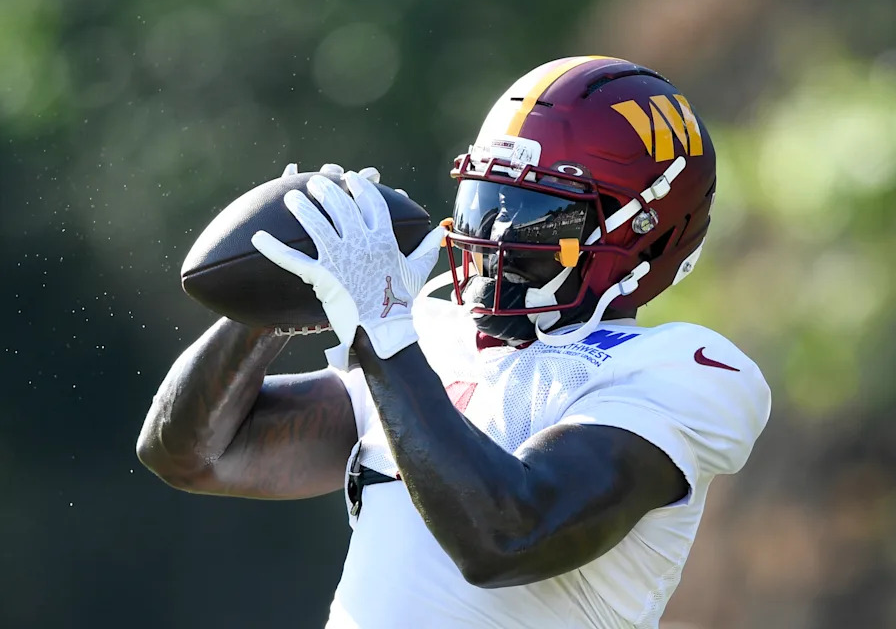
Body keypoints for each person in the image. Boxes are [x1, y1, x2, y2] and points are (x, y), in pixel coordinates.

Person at [137, 56, 771, 628]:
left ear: (650, 237)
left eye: (535, 213)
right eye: (488, 199)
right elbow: (192, 452)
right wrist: (296, 275)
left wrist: (381, 327)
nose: (496, 234)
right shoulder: (429, 341)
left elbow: (506, 536)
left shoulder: (684, 373)